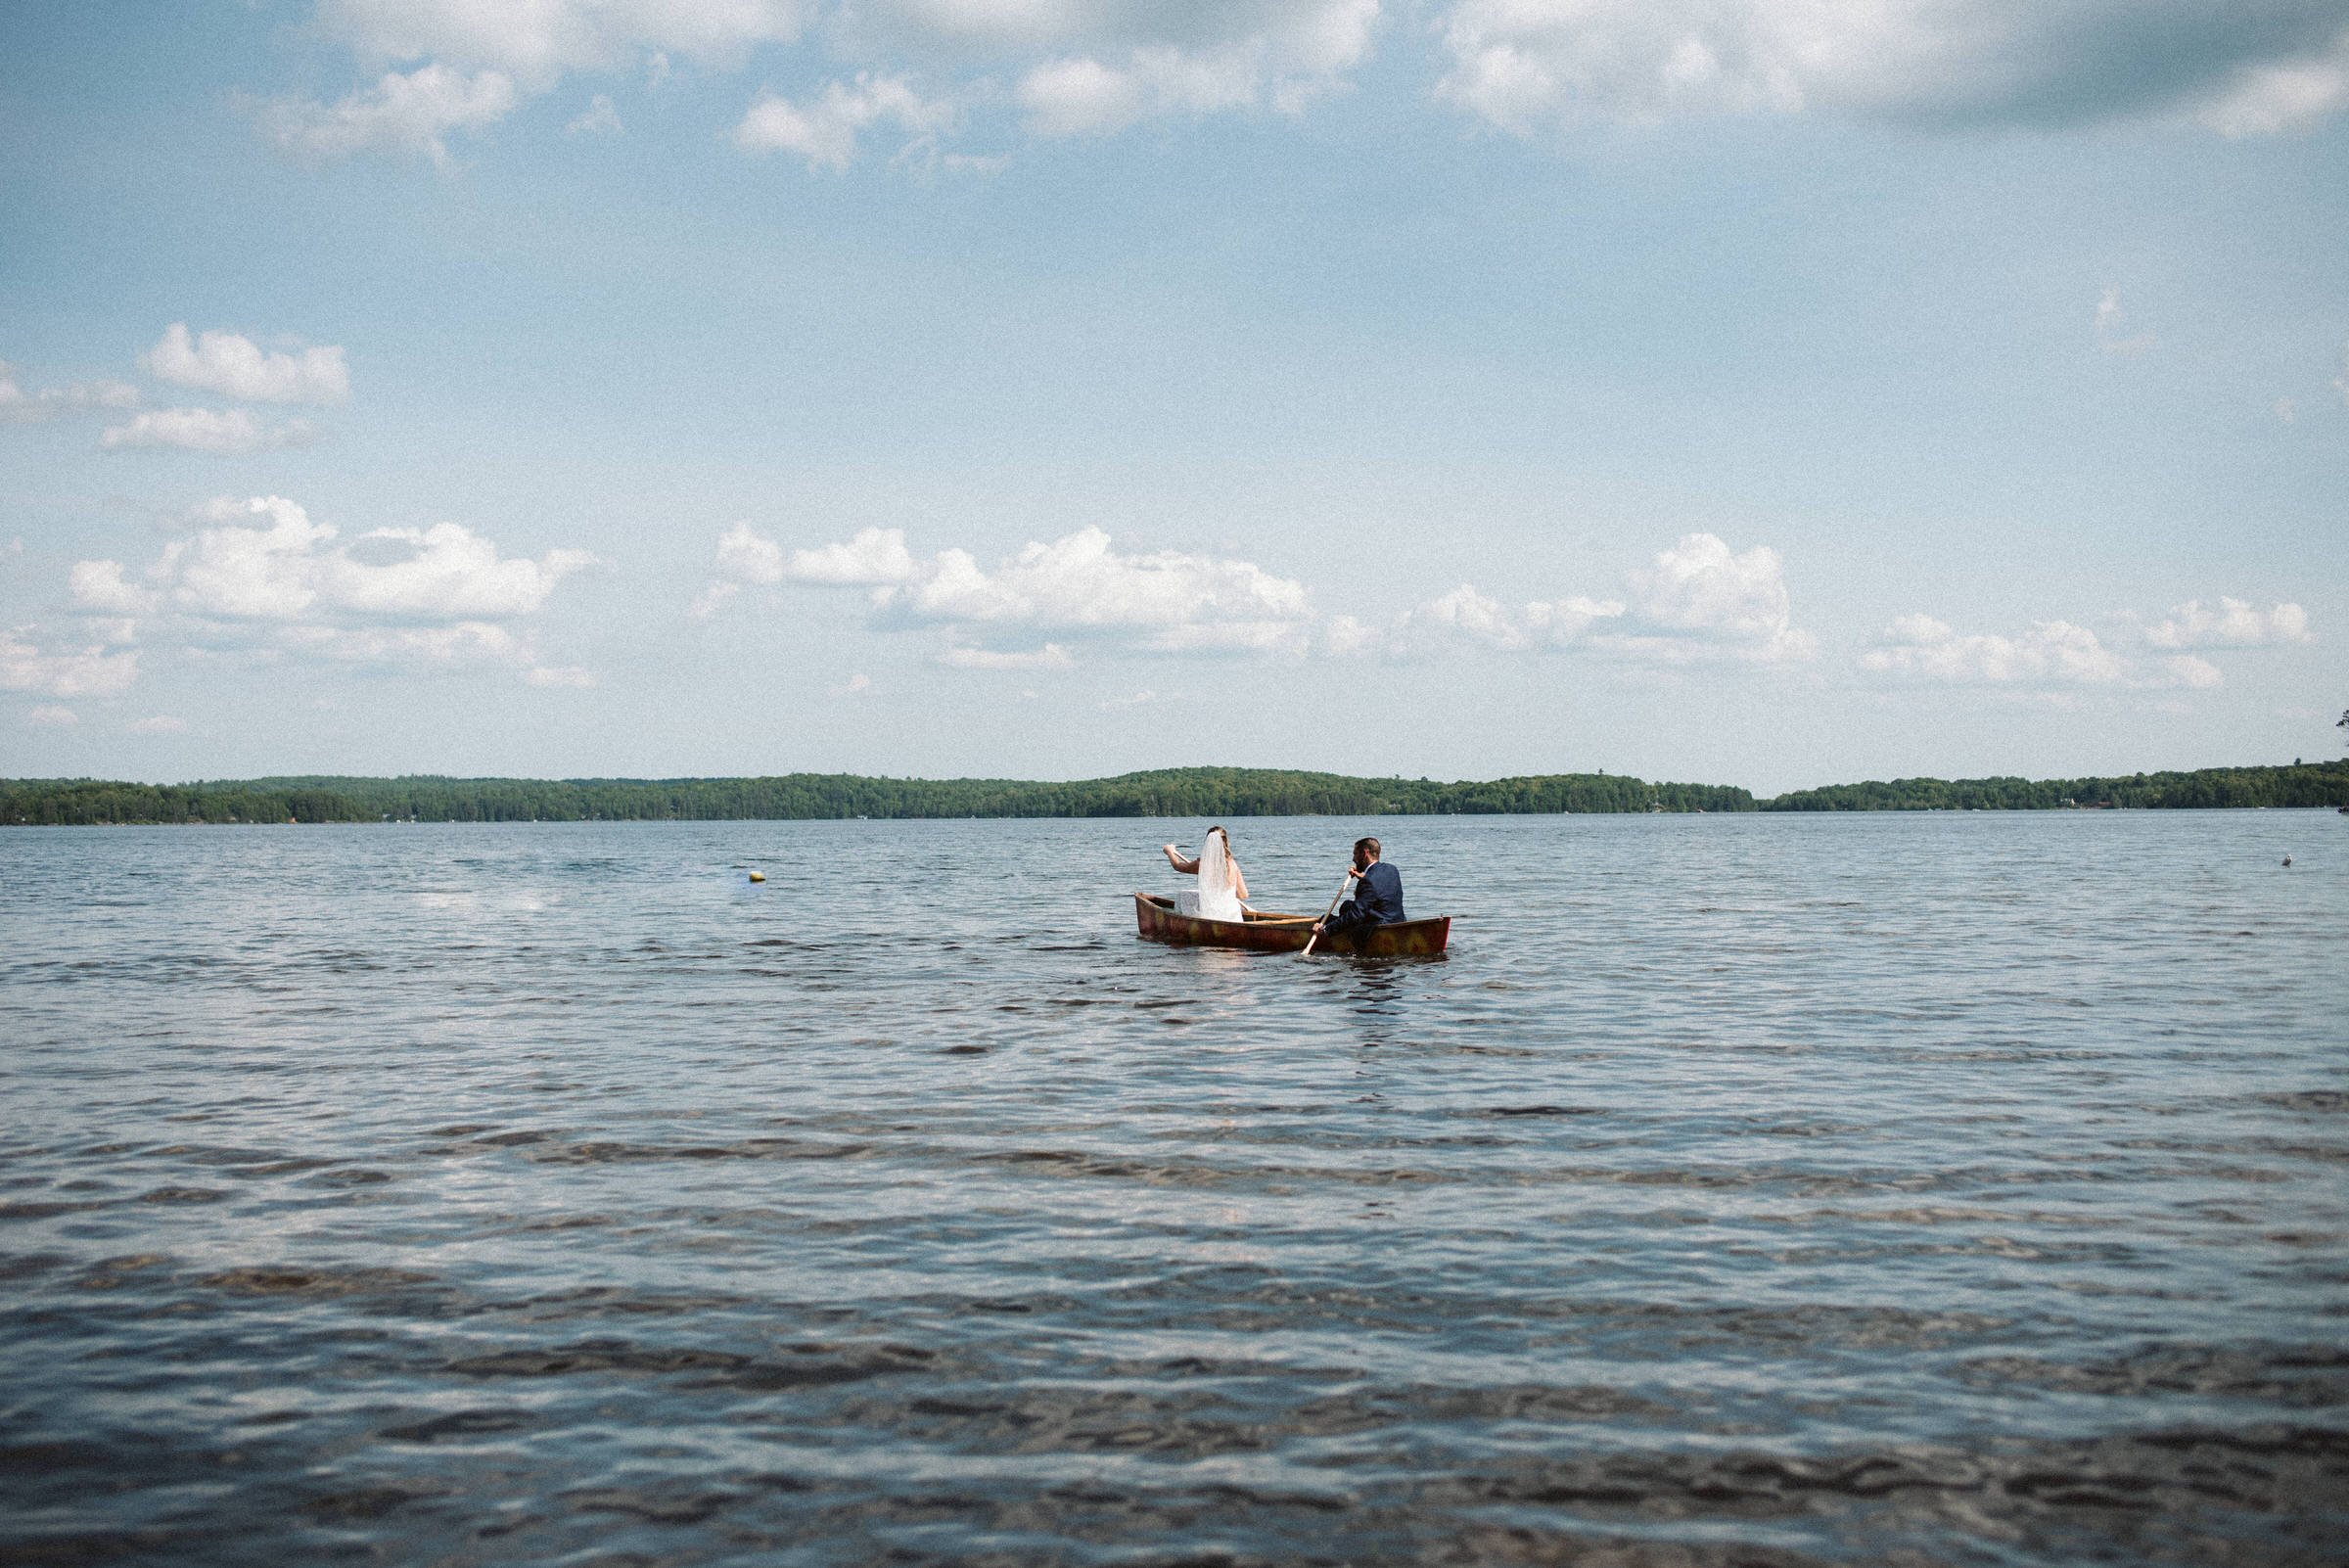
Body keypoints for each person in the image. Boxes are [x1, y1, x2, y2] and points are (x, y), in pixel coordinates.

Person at [1316, 836, 1404, 936]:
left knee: (1330, 917)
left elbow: (1356, 914)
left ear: (1365, 853)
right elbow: (1376, 884)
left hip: (1378, 927)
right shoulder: (1392, 869)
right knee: (1346, 905)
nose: (1353, 859)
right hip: (1397, 920)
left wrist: (1325, 929)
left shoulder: (1368, 881)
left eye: (1355, 854)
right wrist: (1362, 875)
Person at [1163, 827, 1250, 922]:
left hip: (1210, 912)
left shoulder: (1202, 864)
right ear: (1225, 842)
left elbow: (1178, 866)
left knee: (1181, 895)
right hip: (1232, 914)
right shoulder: (1233, 864)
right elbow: (1243, 895)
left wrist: (1170, 852)